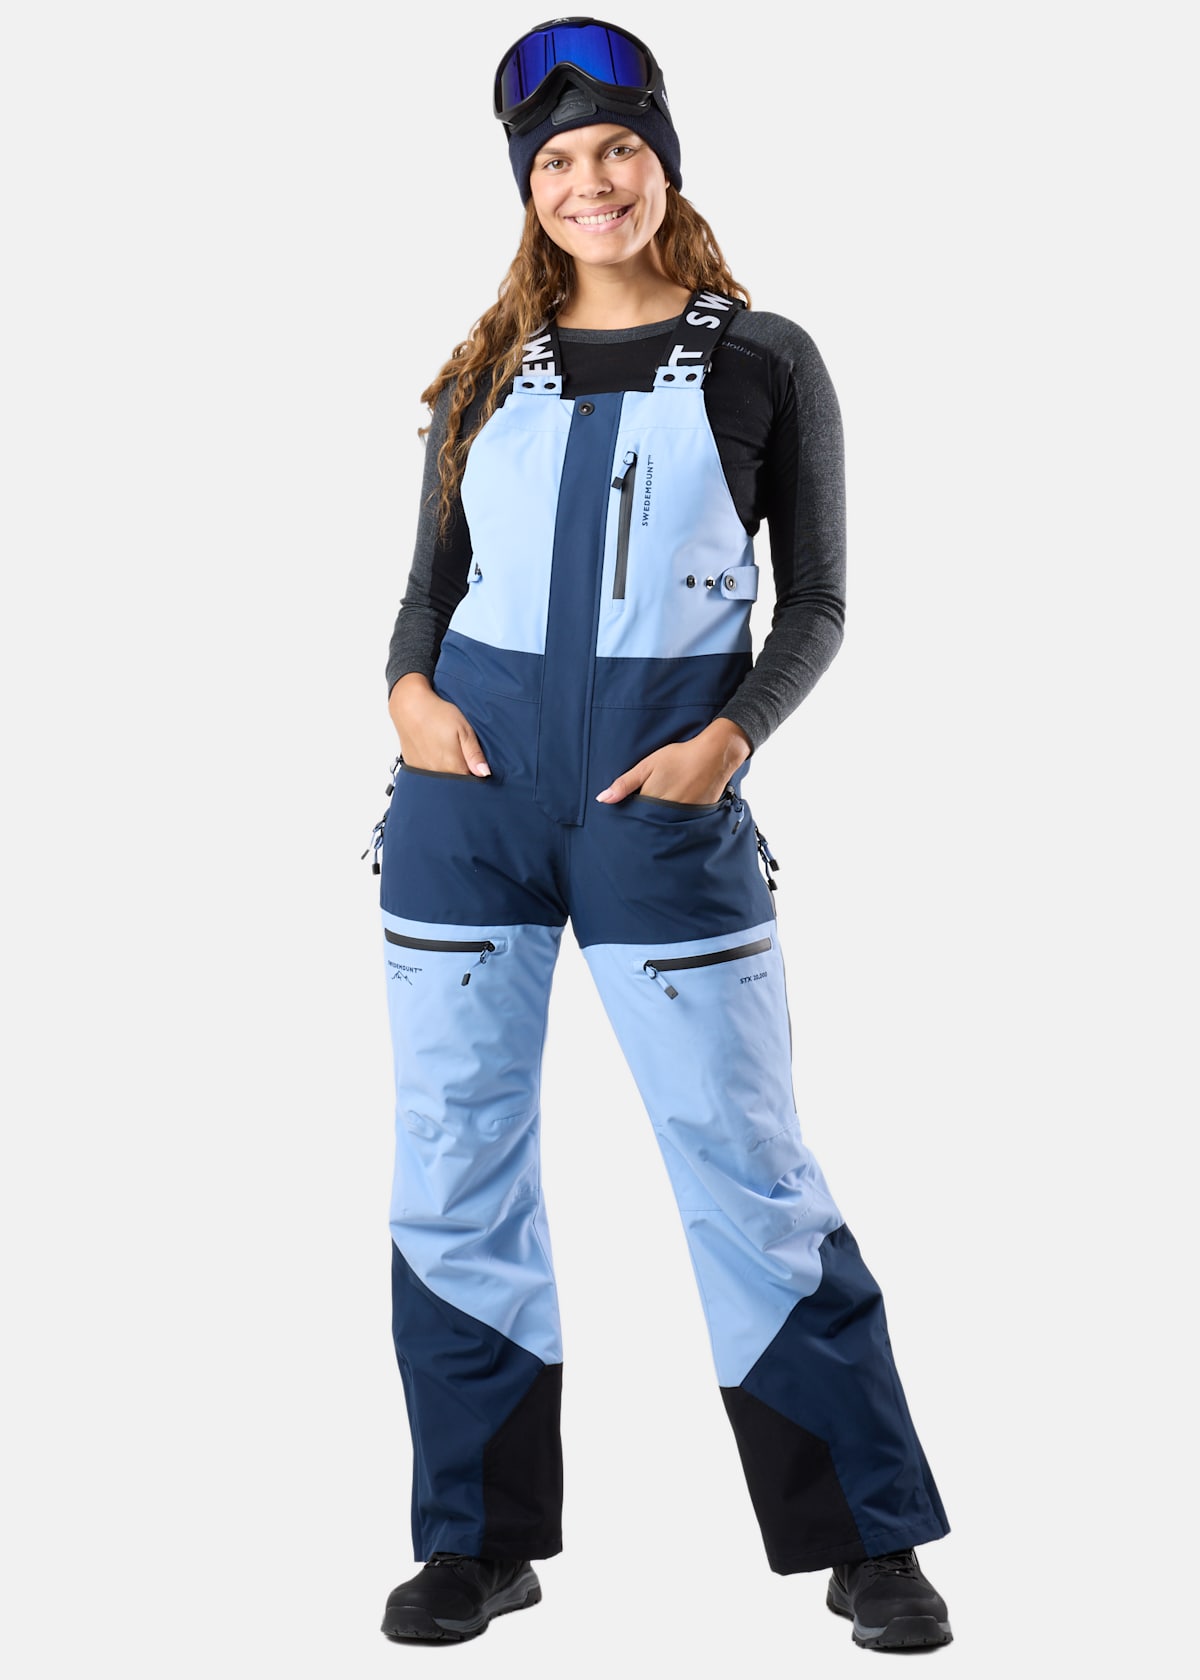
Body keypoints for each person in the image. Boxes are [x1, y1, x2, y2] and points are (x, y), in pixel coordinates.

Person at [367, 16, 953, 1653]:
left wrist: (727, 744)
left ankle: (867, 1539)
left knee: (746, 1166)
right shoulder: (484, 369)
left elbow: (818, 601)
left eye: (616, 149)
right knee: (453, 1169)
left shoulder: (763, 358)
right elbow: (424, 593)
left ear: (664, 164)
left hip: (663, 815)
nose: (590, 181)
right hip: (465, 811)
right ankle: (476, 1540)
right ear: (527, 187)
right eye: (556, 160)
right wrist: (405, 699)